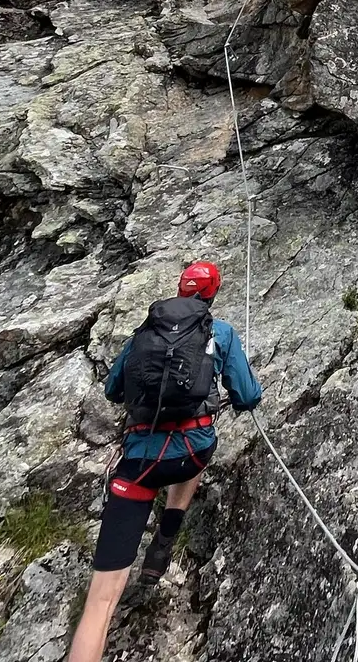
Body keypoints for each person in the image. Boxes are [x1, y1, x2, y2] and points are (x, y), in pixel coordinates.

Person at [66, 261, 261, 662]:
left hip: (138, 464)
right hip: (191, 455)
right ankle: (166, 536)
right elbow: (246, 394)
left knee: (100, 603)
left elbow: (113, 390)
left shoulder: (144, 333)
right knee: (199, 447)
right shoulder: (219, 332)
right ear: (211, 294)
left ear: (179, 289)